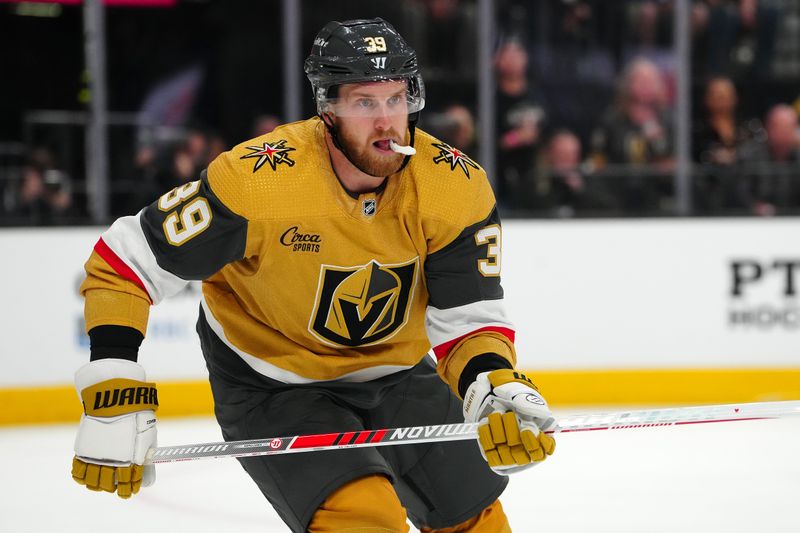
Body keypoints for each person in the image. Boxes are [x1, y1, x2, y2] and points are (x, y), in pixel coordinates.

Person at [70, 18, 556, 533]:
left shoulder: (452, 186)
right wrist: (114, 380)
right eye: (365, 103)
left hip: (397, 370)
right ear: (327, 109)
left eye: (396, 99)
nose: (387, 121)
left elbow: (468, 315)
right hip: (276, 383)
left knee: (478, 520)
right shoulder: (259, 180)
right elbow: (126, 262)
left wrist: (492, 383)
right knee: (363, 517)